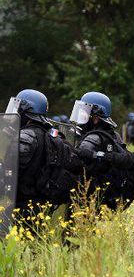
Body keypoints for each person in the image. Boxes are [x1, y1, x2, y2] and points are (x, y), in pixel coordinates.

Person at [5, 89, 81, 228]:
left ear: (24, 111)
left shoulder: (25, 137)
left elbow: (9, 172)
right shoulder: (55, 137)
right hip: (45, 206)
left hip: (21, 206)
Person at [70, 92, 134, 211]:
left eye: (84, 115)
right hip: (105, 197)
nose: (81, 119)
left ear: (96, 118)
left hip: (88, 198)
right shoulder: (114, 135)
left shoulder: (94, 137)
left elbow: (78, 157)